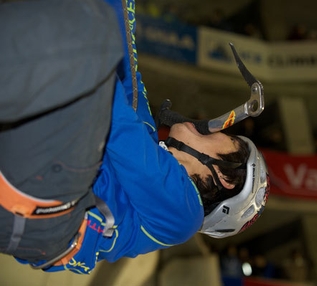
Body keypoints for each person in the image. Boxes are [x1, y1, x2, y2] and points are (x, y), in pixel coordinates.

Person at [0, 0, 270, 274]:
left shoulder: (184, 217)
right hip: (43, 188)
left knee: (86, 39)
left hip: (48, 217)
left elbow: (115, 116)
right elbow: (126, 73)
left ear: (224, 178)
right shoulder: (146, 141)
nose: (218, 127)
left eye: (229, 138)